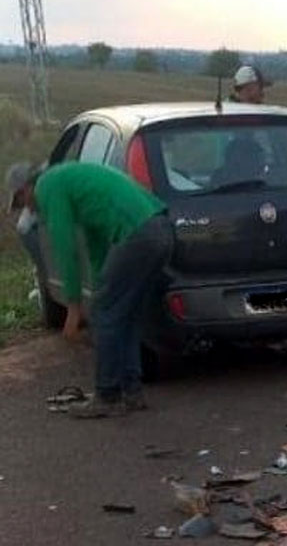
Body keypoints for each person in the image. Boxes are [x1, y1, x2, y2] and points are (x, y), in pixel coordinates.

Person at [6, 161, 173, 418]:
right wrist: (97, 291)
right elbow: (97, 247)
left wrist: (73, 308)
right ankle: (131, 391)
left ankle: (108, 394)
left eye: (21, 202)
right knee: (124, 315)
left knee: (106, 315)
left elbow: (65, 248)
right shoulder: (69, 180)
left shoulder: (49, 187)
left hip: (138, 234)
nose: (28, 208)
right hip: (160, 229)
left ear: (26, 189)